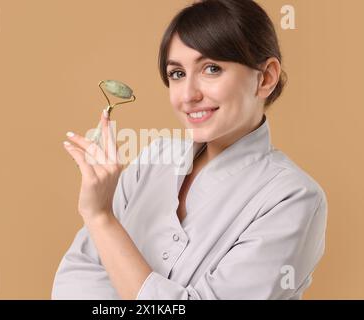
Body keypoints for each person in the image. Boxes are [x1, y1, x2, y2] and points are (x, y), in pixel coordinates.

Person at [52, 0, 328, 300]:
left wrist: (101, 217)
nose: (188, 95)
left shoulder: (293, 198)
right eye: (177, 74)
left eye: (211, 69)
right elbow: (76, 277)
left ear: (266, 77)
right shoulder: (154, 159)